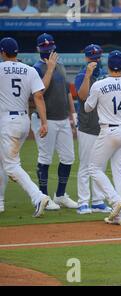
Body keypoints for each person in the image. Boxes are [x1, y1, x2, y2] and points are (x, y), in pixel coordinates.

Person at [85, 50, 121, 226]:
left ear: (108, 64)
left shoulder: (99, 85)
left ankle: (115, 200)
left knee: (94, 168)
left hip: (109, 131)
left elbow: (87, 108)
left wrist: (88, 77)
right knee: (119, 172)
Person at [0, 37, 54, 217]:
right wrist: (44, 122)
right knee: (4, 163)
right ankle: (0, 202)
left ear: (2, 52)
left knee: (11, 165)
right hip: (23, 121)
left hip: (7, 122)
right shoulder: (29, 70)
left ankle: (38, 197)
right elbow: (38, 97)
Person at [32, 33, 78, 211]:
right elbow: (39, 92)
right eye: (44, 49)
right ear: (38, 49)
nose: (47, 52)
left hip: (62, 118)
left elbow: (67, 92)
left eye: (49, 48)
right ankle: (43, 197)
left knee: (68, 157)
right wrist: (49, 69)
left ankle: (60, 195)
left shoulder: (61, 65)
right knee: (45, 158)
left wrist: (73, 115)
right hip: (45, 119)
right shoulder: (36, 68)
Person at [74, 44, 111, 215]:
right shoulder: (82, 74)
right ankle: (83, 202)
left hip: (102, 126)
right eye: (93, 57)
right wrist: (88, 75)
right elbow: (81, 96)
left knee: (100, 166)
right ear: (87, 58)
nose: (96, 60)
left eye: (98, 57)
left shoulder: (104, 75)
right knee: (85, 166)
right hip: (87, 126)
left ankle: (97, 201)